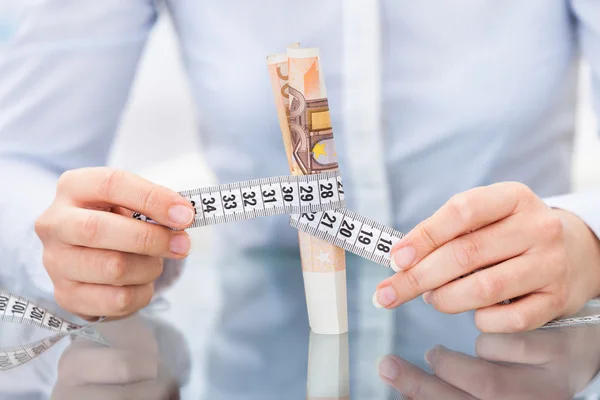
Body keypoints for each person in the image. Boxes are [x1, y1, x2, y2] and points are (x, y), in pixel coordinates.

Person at [1, 0, 600, 335]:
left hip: (514, 335)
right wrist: (71, 245)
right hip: (256, 339)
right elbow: (19, 162)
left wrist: (586, 239)